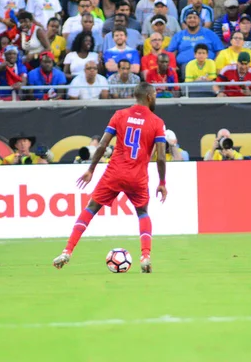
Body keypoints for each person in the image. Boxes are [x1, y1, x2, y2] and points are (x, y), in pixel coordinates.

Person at [53, 82, 168, 273]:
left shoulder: (120, 115)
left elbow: (102, 145)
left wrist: (91, 169)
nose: (155, 97)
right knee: (142, 213)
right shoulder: (157, 122)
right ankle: (146, 256)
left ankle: (67, 251)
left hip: (114, 172)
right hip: (138, 177)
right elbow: (161, 156)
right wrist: (162, 182)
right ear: (149, 97)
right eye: (155, 94)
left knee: (91, 208)